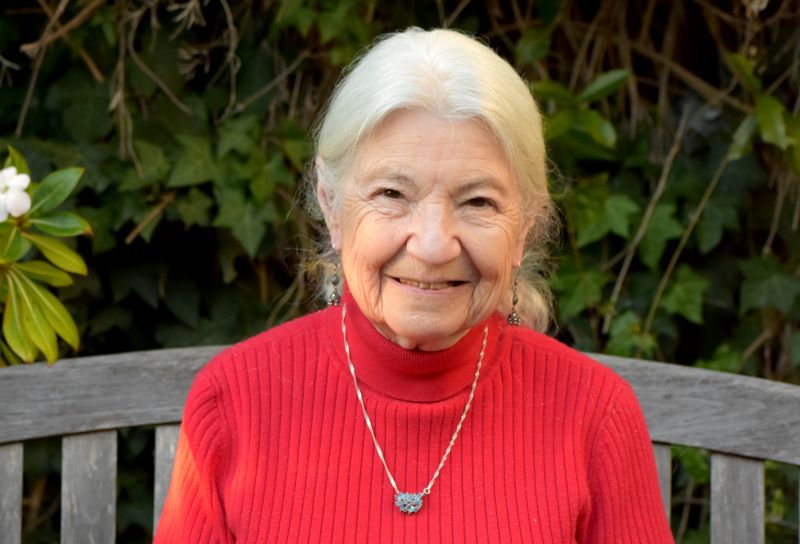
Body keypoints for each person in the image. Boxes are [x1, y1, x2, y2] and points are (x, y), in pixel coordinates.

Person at [154, 28, 673, 543]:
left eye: (477, 203)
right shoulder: (234, 403)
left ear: (527, 224)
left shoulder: (596, 416)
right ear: (331, 204)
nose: (431, 245)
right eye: (392, 193)